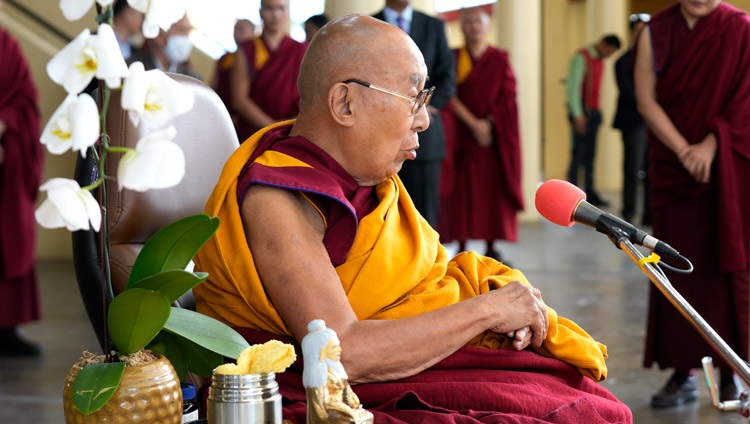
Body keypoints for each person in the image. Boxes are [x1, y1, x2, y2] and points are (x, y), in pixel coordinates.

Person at [193, 14, 632, 422]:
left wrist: (496, 304)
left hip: (421, 357)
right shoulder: (279, 195)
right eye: (413, 96)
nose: (423, 120)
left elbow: (426, 280)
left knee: (586, 397)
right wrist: (486, 311)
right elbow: (342, 354)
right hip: (358, 380)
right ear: (344, 104)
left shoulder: (368, 180)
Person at [634, 0, 750, 409]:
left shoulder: (740, 28)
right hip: (674, 168)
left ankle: (731, 370)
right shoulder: (654, 31)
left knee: (725, 270)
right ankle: (680, 371)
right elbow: (646, 99)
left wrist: (711, 144)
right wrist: (685, 150)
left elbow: (745, 98)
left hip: (728, 171)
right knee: (674, 270)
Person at [441, 6, 523, 261]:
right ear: (461, 26)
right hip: (462, 138)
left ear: (488, 25)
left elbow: (508, 97)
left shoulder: (499, 58)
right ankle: (462, 242)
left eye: (479, 21)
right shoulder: (453, 57)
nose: (474, 27)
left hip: (491, 140)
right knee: (462, 192)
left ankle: (490, 246)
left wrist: (488, 123)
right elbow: (448, 94)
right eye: (468, 22)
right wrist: (474, 124)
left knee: (491, 194)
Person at [373, 0, 455, 229]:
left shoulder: (433, 25)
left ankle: (428, 264)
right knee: (382, 211)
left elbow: (447, 78)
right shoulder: (370, 25)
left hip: (424, 138)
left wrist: (421, 107)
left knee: (424, 214)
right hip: (379, 134)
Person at [0, 5, 44, 357]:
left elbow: (26, 100)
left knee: (8, 236)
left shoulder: (6, 45)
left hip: (4, 164)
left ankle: (6, 328)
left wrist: (5, 125)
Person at [230, 0, 306, 143]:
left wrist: (287, 128)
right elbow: (239, 100)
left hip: (290, 132)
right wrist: (272, 127)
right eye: (269, 8)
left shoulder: (300, 50)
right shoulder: (246, 50)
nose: (276, 14)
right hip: (253, 135)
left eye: (281, 8)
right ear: (260, 12)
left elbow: (307, 96)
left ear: (288, 12)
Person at [565, 33, 621, 207]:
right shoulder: (582, 57)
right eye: (609, 51)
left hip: (594, 112)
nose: (609, 56)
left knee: (590, 156)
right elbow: (572, 87)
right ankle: (571, 194)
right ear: (602, 44)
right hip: (582, 113)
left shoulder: (599, 61)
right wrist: (577, 115)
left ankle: (589, 192)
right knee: (578, 155)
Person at [613, 13, 650, 225]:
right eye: (637, 31)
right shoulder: (622, 61)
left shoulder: (656, 59)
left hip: (653, 124)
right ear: (631, 33)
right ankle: (629, 212)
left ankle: (649, 213)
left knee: (651, 169)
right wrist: (648, 105)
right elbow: (627, 91)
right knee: (632, 167)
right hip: (633, 122)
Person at [302, 319, 373, 424]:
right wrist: (348, 411)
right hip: (328, 414)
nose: (340, 349)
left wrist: (354, 404)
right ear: (322, 351)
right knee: (352, 421)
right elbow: (324, 404)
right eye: (334, 347)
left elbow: (347, 390)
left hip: (343, 408)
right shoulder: (318, 376)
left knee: (367, 416)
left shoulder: (336, 370)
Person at [127, 13, 202, 80]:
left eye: (188, 31)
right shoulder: (130, 69)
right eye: (181, 30)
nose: (185, 38)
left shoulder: (193, 79)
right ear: (159, 34)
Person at [212, 19, 256, 128]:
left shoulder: (256, 58)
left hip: (245, 117)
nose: (238, 32)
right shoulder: (225, 58)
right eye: (236, 29)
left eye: (242, 29)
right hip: (221, 111)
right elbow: (214, 84)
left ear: (253, 33)